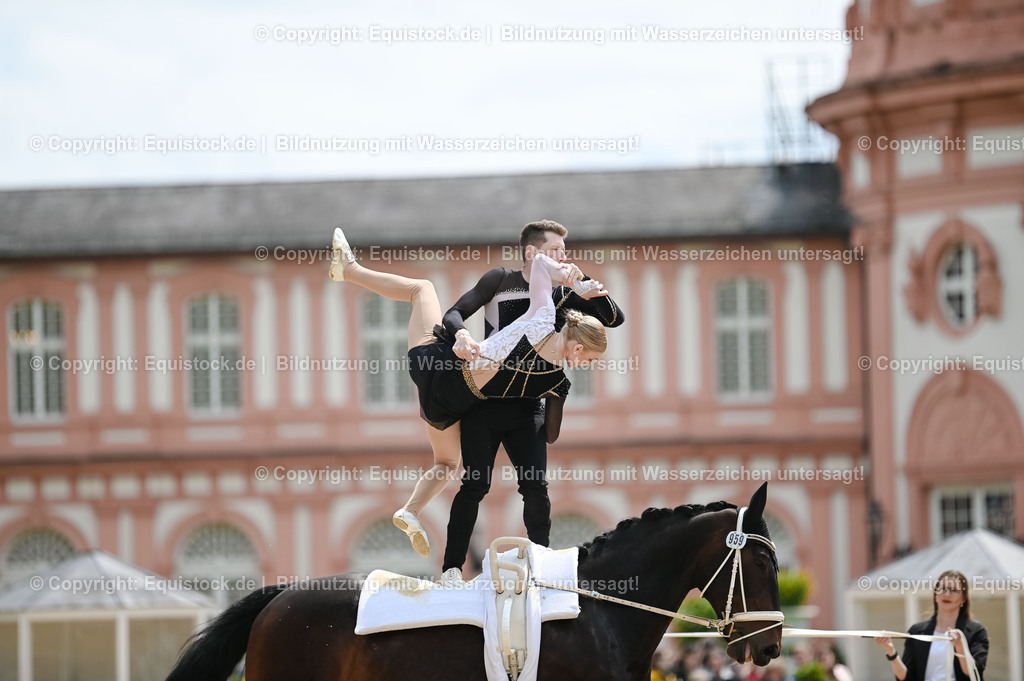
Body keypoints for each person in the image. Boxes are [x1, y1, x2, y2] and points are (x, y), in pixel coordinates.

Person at [327, 227, 608, 560]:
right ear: (577, 345)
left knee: (422, 289)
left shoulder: (542, 318)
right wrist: (574, 281)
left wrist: (570, 278)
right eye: (588, 358)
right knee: (446, 463)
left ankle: (348, 270)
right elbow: (549, 434)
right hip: (452, 397)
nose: (586, 365)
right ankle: (411, 511)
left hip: (443, 379)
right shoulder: (547, 345)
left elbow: (545, 272)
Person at [439, 220, 625, 583]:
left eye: (565, 253)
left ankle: (540, 564)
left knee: (536, 486)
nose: (563, 258)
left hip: (528, 406)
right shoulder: (501, 280)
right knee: (475, 485)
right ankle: (450, 569)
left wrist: (578, 279)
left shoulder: (561, 294)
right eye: (556, 251)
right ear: (532, 252)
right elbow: (452, 314)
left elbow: (615, 318)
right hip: (486, 401)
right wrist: (461, 333)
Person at [874, 570, 988, 681]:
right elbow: (907, 678)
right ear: (935, 594)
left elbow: (974, 672)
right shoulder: (916, 631)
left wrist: (960, 647)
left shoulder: (976, 631)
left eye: (953, 590)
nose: (947, 594)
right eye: (943, 588)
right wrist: (891, 651)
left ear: (963, 598)